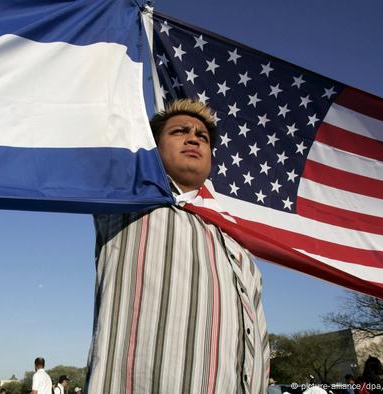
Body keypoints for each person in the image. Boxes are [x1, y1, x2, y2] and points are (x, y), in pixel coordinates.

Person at [86, 99, 269, 393]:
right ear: (153, 147)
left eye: (203, 136)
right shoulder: (126, 199)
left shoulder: (237, 243)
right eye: (179, 131)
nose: (194, 137)